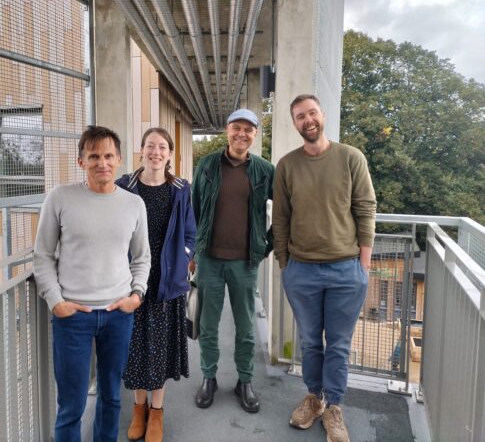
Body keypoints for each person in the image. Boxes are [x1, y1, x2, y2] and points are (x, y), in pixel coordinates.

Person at [33, 126, 150, 442]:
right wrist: (56, 301)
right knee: (71, 406)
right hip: (73, 317)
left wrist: (136, 295)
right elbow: (42, 255)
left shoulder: (133, 204)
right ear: (81, 161)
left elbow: (142, 258)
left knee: (112, 398)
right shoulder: (60, 198)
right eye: (94, 156)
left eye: (109, 155)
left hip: (118, 314)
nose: (103, 163)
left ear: (119, 159)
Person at [272, 94, 376, 442]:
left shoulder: (350, 158)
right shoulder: (287, 165)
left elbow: (365, 208)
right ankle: (314, 398)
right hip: (301, 270)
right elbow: (281, 218)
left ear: (323, 115)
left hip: (346, 269)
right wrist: (285, 264)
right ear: (295, 123)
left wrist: (363, 262)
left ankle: (334, 407)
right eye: (300, 116)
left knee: (339, 344)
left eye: (312, 113)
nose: (308, 120)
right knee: (310, 342)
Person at [191, 108, 274, 413]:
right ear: (227, 130)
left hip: (245, 263)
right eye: (236, 128)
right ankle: (209, 378)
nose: (242, 134)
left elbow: (285, 211)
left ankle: (245, 381)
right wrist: (196, 250)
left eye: (248, 130)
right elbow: (195, 208)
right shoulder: (208, 165)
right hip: (210, 259)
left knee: (246, 328)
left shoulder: (265, 169)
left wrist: (266, 245)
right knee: (208, 324)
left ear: (255, 134)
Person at [116, 127, 196, 442]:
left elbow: (190, 232)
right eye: (150, 146)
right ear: (141, 150)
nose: (156, 152)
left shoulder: (180, 188)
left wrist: (185, 259)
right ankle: (139, 409)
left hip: (165, 282)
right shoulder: (125, 186)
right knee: (135, 348)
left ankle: (157, 413)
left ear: (169, 153)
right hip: (131, 279)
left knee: (160, 351)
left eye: (162, 147)